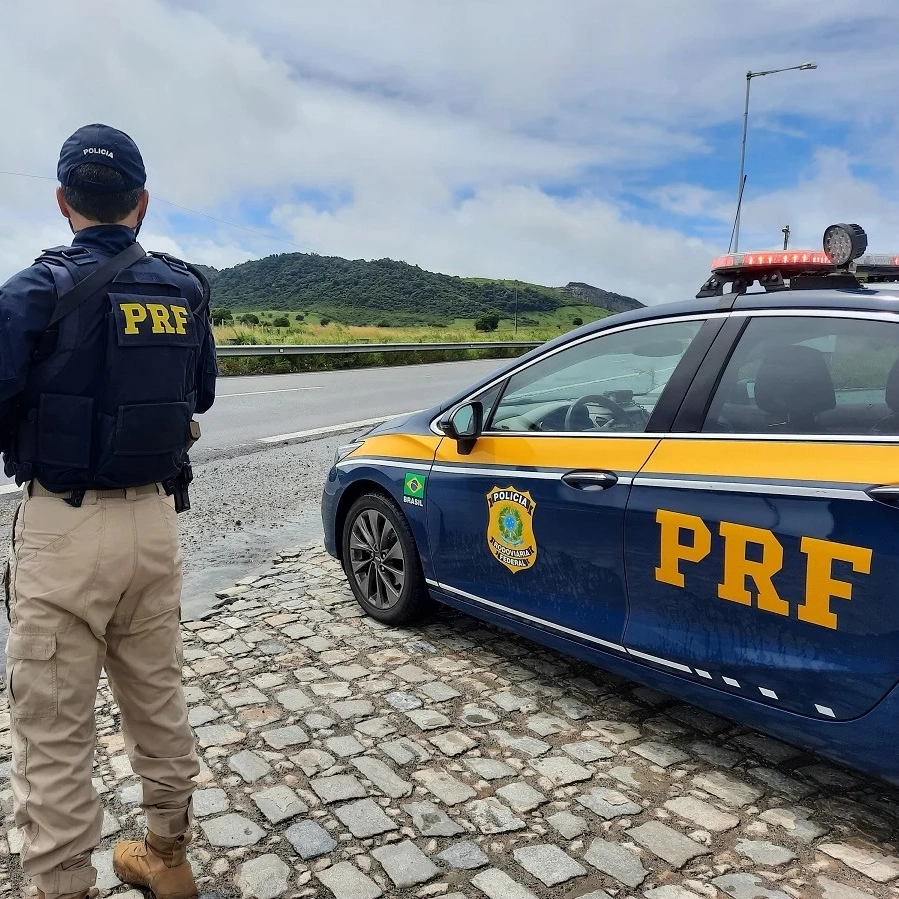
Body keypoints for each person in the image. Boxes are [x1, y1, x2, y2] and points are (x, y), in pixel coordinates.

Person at [1, 124, 217, 899]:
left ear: (63, 202)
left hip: (64, 527)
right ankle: (167, 853)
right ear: (141, 203)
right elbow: (198, 397)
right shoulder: (185, 290)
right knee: (157, 696)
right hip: (153, 524)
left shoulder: (31, 292)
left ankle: (64, 885)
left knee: (54, 728)